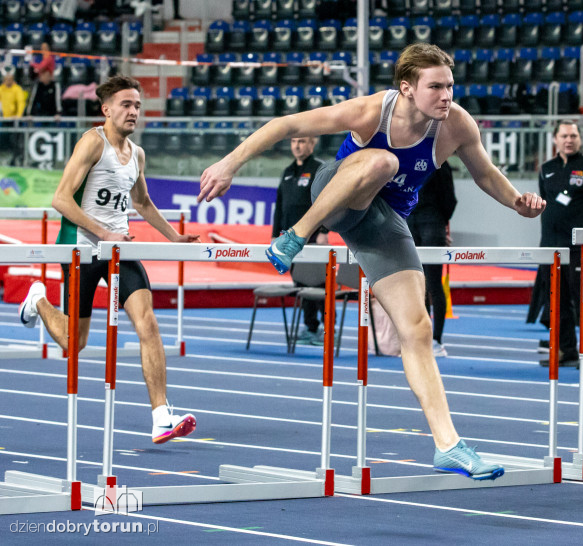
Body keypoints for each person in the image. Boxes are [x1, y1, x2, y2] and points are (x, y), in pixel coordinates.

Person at [198, 43, 545, 481]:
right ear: (406, 89)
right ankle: (295, 236)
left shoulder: (456, 124)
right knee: (382, 160)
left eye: (450, 86)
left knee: (416, 327)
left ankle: (449, 445)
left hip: (382, 219)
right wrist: (229, 164)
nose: (446, 96)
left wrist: (517, 201)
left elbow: (485, 173)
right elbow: (285, 124)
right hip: (337, 193)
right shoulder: (370, 112)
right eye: (435, 87)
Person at [18, 74, 200, 444]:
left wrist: (174, 236)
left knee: (147, 323)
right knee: (75, 343)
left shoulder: (138, 155)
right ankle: (38, 298)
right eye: (126, 105)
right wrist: (103, 232)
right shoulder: (91, 143)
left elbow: (143, 203)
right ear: (106, 110)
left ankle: (161, 416)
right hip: (82, 248)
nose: (134, 112)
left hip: (120, 250)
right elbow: (61, 199)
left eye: (137, 105)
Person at [536, 119, 583, 370]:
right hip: (551, 247)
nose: (569, 140)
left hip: (579, 249)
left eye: (573, 136)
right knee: (556, 302)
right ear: (555, 139)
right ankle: (566, 350)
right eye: (564, 136)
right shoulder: (546, 169)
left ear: (580, 139)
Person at [272, 136, 329, 346]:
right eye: (294, 141)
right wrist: (275, 234)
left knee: (320, 284)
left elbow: (329, 201)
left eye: (302, 141)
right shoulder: (287, 171)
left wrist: (324, 229)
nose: (297, 145)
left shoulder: (320, 169)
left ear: (312, 144)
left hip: (314, 236)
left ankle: (327, 328)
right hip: (290, 238)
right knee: (300, 283)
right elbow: (280, 205)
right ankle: (310, 327)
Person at [406, 160, 457, 357]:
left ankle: (436, 339)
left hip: (431, 221)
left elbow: (449, 198)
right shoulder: (408, 157)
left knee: (433, 283)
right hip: (410, 220)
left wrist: (440, 223)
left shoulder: (441, 163)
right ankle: (423, 337)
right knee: (417, 283)